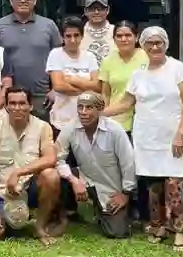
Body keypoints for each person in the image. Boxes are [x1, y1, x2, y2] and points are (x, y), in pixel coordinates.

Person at [106, 26, 183, 252]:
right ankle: (158, 226)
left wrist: (181, 133)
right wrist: (100, 113)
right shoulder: (139, 73)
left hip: (172, 136)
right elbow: (126, 103)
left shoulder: (178, 69)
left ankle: (179, 230)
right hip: (146, 136)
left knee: (175, 184)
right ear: (143, 46)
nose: (155, 47)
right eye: (150, 43)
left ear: (166, 44)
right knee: (153, 185)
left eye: (159, 43)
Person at [0, 87, 62, 245]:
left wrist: (18, 173)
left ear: (30, 106)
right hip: (1, 193)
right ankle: (11, 219)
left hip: (29, 190)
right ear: (6, 106)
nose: (17, 108)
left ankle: (39, 226)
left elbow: (51, 158)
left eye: (22, 103)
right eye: (13, 103)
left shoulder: (43, 127)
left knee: (51, 175)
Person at [56, 92, 136, 239]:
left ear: (99, 109)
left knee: (117, 232)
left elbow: (128, 163)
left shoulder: (115, 130)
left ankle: (105, 210)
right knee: (55, 175)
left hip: (111, 188)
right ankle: (65, 214)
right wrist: (74, 180)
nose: (83, 112)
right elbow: (57, 159)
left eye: (89, 108)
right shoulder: (70, 128)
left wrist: (125, 194)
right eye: (80, 107)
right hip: (84, 178)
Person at [99, 20, 150, 218]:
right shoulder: (108, 60)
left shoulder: (145, 57)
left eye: (128, 35)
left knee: (139, 166)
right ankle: (123, 205)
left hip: (141, 121)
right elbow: (105, 94)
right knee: (119, 166)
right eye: (119, 35)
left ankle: (142, 208)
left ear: (136, 37)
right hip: (114, 121)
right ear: (114, 39)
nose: (124, 39)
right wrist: (102, 115)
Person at [0, 0, 62, 120]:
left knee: (42, 136)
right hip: (9, 96)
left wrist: (55, 89)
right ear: (11, 1)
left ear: (34, 1)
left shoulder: (49, 25)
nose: (23, 0)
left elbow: (61, 58)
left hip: (42, 96)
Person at [46, 16, 103, 134]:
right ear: (62, 37)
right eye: (68, 36)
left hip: (87, 120)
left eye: (76, 35)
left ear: (82, 36)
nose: (72, 40)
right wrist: (86, 89)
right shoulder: (55, 54)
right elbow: (58, 86)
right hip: (62, 120)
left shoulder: (89, 56)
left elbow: (97, 87)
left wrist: (72, 80)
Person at [79, 0, 114, 64]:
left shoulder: (117, 32)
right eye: (92, 8)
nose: (96, 12)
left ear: (107, 10)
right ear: (85, 11)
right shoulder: (78, 33)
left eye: (100, 8)